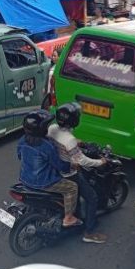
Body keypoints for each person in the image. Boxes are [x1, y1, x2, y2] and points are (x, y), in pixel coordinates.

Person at [47, 103, 108, 244]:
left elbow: (62, 143)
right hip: (69, 173)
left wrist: (78, 143)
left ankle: (78, 215)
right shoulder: (69, 140)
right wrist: (100, 162)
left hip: (54, 168)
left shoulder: (52, 128)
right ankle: (90, 233)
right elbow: (81, 160)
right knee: (92, 197)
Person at [17, 110, 81, 227]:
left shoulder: (22, 140)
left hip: (25, 179)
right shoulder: (46, 146)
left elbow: (19, 156)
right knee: (72, 187)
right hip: (45, 183)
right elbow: (60, 166)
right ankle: (69, 218)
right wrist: (72, 165)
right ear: (41, 129)